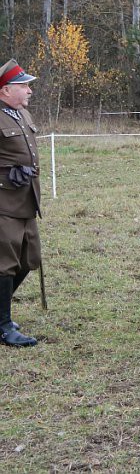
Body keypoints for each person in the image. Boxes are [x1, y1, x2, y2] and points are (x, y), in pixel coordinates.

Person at [0, 60, 43, 347]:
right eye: (23, 85)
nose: (29, 90)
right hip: (4, 203)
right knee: (4, 264)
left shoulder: (21, 114)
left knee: (30, 259)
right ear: (5, 90)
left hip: (27, 201)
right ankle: (3, 325)